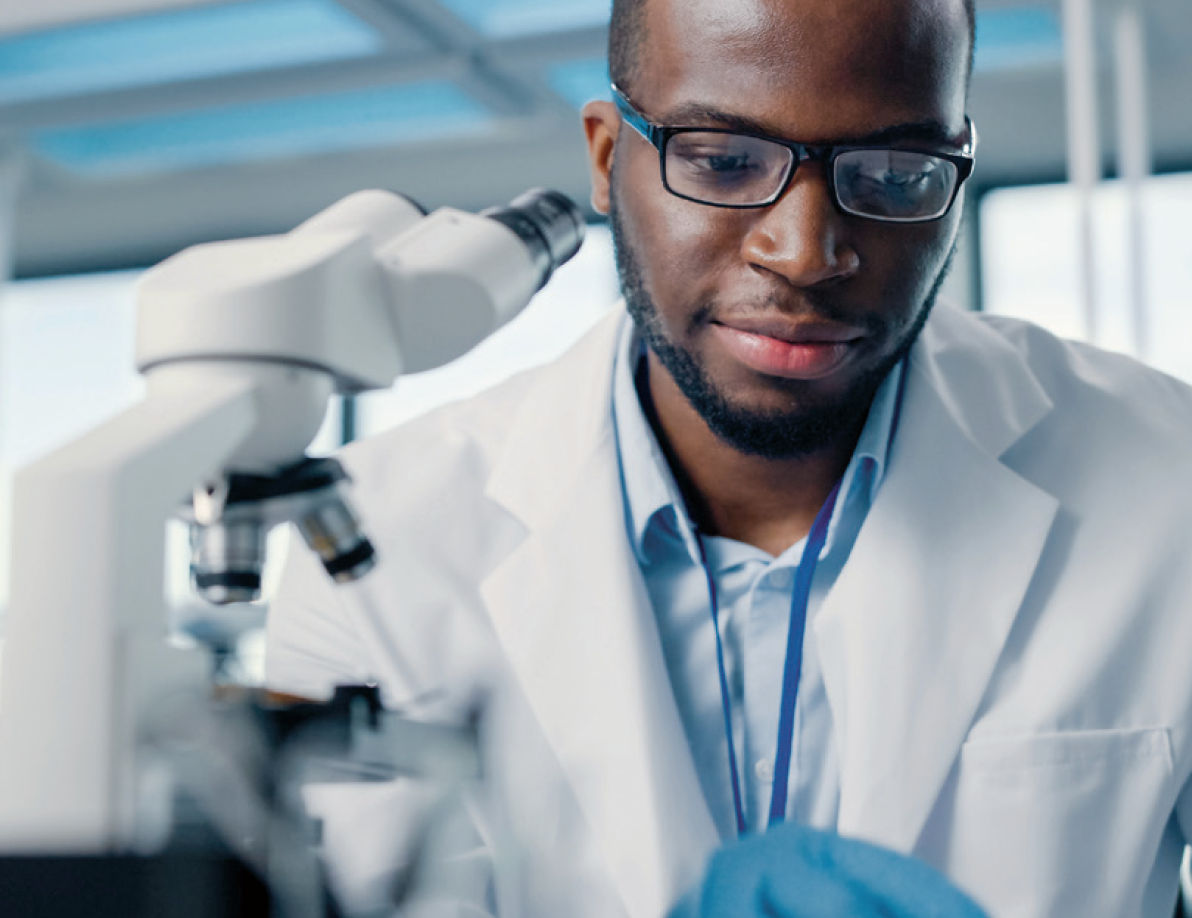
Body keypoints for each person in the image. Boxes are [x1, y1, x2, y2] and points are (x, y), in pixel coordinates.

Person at [265, 0, 1192, 914]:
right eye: (722, 160)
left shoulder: (1166, 477)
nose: (804, 253)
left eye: (897, 171)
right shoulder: (371, 546)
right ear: (604, 156)